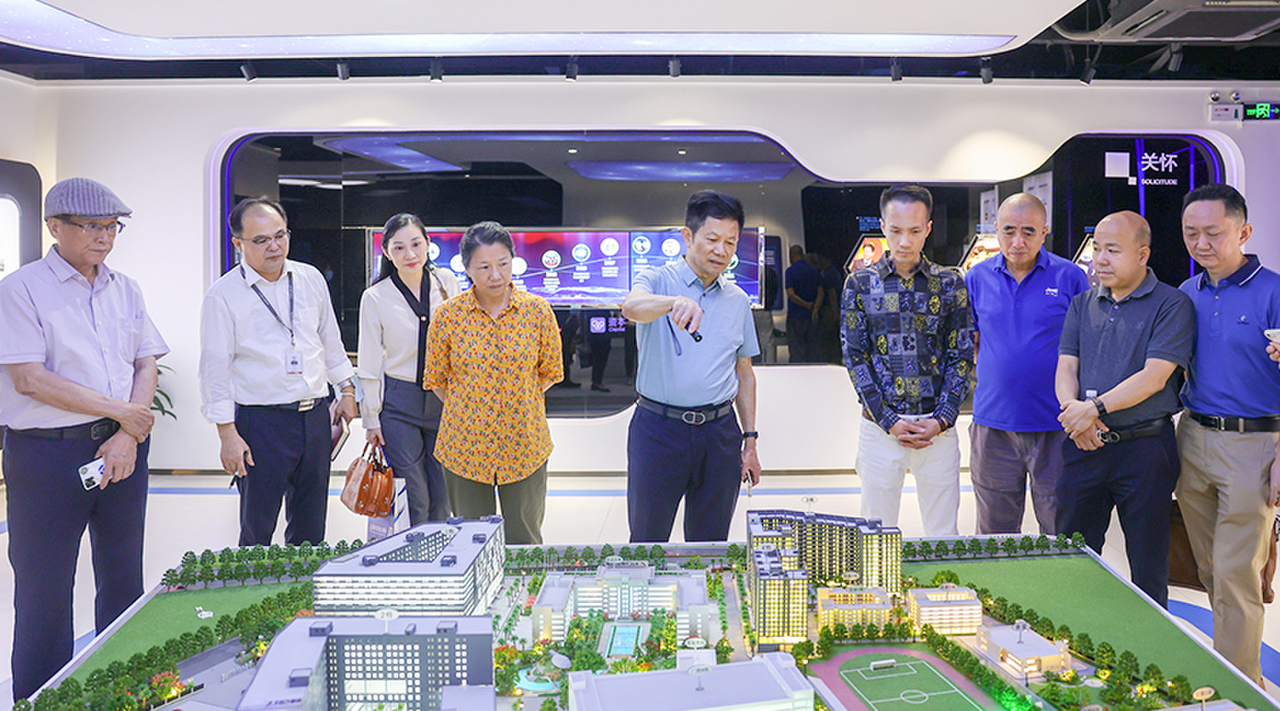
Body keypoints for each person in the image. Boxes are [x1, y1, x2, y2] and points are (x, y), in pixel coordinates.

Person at [0, 178, 168, 699]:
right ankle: (41, 699)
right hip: (47, 455)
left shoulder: (125, 287)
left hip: (122, 448)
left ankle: (123, 691)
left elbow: (145, 361)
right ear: (55, 226)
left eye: (112, 227)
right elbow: (30, 379)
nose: (104, 237)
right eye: (92, 226)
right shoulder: (21, 289)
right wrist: (124, 414)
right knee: (45, 590)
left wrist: (126, 433)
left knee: (123, 577)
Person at [199, 196, 357, 547]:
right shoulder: (223, 296)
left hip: (315, 418)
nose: (274, 246)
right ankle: (254, 582)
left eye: (280, 235)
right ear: (238, 243)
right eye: (261, 240)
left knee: (311, 528)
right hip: (261, 424)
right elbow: (214, 371)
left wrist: (346, 388)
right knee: (257, 529)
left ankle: (303, 583)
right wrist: (227, 434)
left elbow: (330, 341)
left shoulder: (310, 278)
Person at [1054, 210, 1194, 608]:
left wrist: (1092, 409)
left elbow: (1155, 377)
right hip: (1084, 445)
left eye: (1112, 250)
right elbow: (1066, 366)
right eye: (1097, 249)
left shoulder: (1172, 303)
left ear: (1142, 254)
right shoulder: (1083, 303)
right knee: (1071, 553)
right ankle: (1074, 630)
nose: (1100, 259)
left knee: (1148, 564)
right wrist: (1075, 414)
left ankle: (1151, 641)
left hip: (1145, 449)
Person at [1177, 184, 1280, 682]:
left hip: (1254, 445)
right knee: (1210, 570)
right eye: (1191, 233)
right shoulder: (1186, 293)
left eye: (1213, 233)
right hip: (1192, 438)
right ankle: (1231, 671)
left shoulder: (1274, 292)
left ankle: (1239, 691)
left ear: (1244, 232)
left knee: (1237, 574)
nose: (1201, 244)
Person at [622, 190, 762, 543]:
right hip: (658, 430)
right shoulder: (657, 280)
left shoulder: (737, 300)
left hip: (720, 434)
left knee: (711, 543)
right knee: (647, 539)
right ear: (688, 236)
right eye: (712, 239)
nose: (722, 251)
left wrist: (749, 441)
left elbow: (744, 373)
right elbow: (632, 307)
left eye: (731, 242)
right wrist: (673, 303)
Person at [842, 185, 973, 536]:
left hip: (937, 431)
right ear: (882, 226)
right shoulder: (859, 284)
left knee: (943, 535)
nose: (904, 241)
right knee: (875, 536)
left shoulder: (950, 283)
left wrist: (942, 419)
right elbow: (855, 357)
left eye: (914, 231)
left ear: (928, 229)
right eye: (896, 230)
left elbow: (961, 355)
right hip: (880, 430)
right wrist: (889, 421)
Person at [423, 221, 562, 544]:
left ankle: (523, 582)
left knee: (525, 541)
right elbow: (437, 378)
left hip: (524, 444)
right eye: (484, 267)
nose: (496, 275)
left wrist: (516, 398)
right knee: (471, 543)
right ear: (467, 268)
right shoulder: (448, 316)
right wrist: (473, 405)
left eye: (503, 264)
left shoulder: (537, 312)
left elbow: (550, 372)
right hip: (465, 446)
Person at [965, 193, 1089, 535]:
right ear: (995, 229)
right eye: (1009, 231)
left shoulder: (1070, 277)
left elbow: (1087, 345)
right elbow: (970, 342)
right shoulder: (977, 278)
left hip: (1057, 424)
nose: (1018, 241)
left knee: (1061, 529)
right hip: (993, 426)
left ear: (1044, 231)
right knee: (994, 533)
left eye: (1029, 232)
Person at [357, 213, 462, 525]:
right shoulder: (375, 297)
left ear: (428, 244)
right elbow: (369, 363)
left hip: (443, 398)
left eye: (416, 244)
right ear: (386, 252)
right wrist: (371, 418)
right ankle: (415, 550)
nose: (410, 254)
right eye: (399, 248)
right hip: (399, 403)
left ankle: (441, 552)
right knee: (415, 494)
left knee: (443, 493)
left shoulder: (446, 282)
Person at [785, 244, 823, 363]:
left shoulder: (790, 271)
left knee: (796, 350)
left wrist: (806, 304)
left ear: (792, 256)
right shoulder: (814, 271)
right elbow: (821, 293)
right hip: (811, 316)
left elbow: (791, 295)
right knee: (812, 349)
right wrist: (815, 309)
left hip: (795, 316)